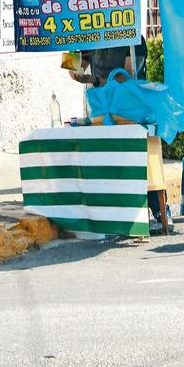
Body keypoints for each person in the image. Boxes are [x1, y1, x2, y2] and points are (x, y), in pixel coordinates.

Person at [67, 36, 169, 230]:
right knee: (110, 161)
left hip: (131, 108)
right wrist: (71, 53)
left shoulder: (133, 38)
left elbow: (127, 76)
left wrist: (95, 80)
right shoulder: (91, 36)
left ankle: (160, 211)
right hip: (103, 109)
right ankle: (118, 215)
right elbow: (77, 67)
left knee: (141, 160)